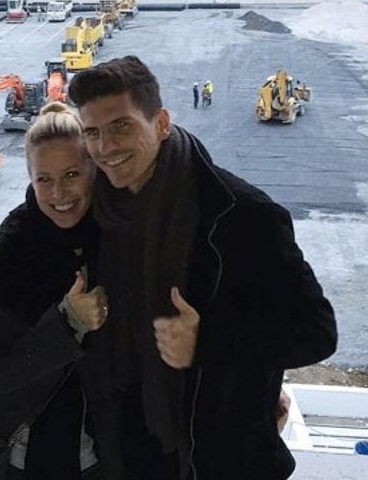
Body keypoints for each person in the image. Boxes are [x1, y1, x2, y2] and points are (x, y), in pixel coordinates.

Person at [68, 56, 337, 480]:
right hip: (122, 450)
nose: (105, 149)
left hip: (213, 458)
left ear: (160, 123)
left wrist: (208, 341)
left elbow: (317, 333)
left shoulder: (242, 217)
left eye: (122, 126)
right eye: (93, 133)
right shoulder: (94, 212)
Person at [0, 102, 108, 480]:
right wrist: (68, 323)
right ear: (30, 178)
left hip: (109, 448)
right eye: (43, 179)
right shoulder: (6, 252)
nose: (58, 193)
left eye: (72, 174)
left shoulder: (113, 236)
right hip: (32, 457)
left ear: (95, 171)